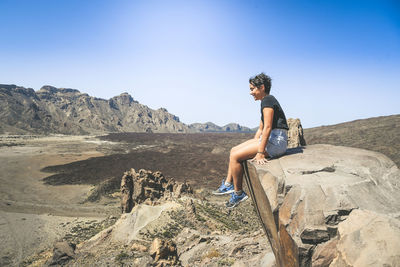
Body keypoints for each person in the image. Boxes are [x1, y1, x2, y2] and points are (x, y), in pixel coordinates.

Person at [213, 73, 289, 208]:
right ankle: (228, 185)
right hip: (272, 138)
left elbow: (267, 127)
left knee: (236, 156)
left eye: (252, 89)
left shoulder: (268, 101)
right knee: (234, 150)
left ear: (262, 87)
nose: (250, 92)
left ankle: (238, 193)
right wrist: (254, 144)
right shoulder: (266, 101)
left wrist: (259, 152)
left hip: (277, 141)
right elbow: (260, 129)